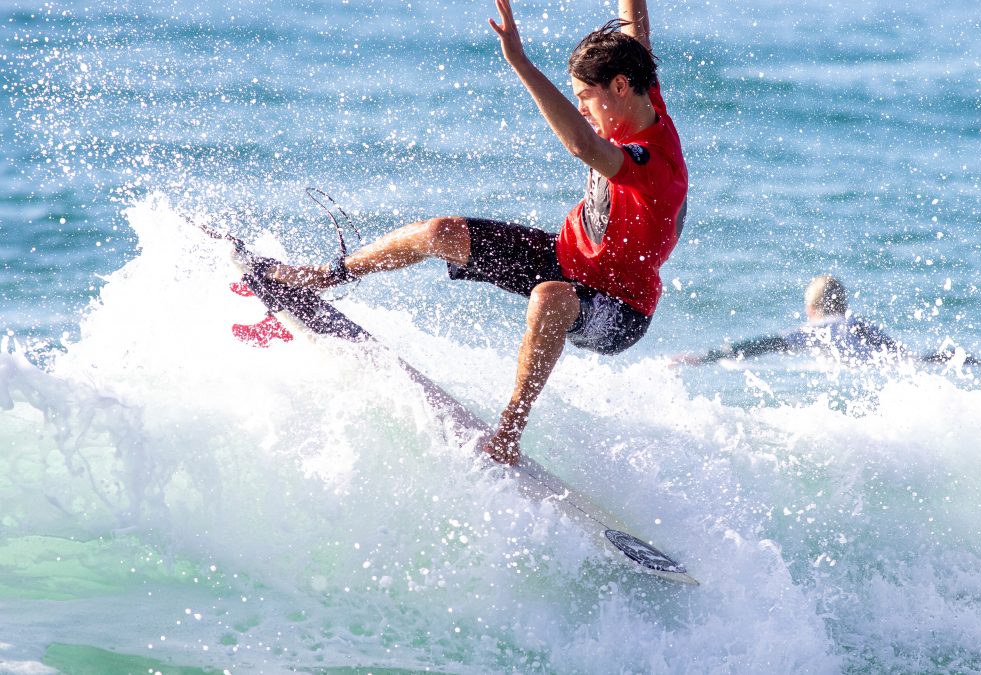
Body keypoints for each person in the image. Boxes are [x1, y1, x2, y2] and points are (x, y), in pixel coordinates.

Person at [266, 0, 688, 465]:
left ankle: (509, 431)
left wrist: (520, 63)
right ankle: (330, 275)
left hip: (621, 308)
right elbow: (635, 28)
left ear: (620, 87)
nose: (583, 109)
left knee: (550, 298)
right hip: (566, 258)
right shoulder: (640, 94)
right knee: (440, 231)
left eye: (585, 98)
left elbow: (581, 145)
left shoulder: (655, 164)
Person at [674, 275, 973, 365]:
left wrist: (706, 357)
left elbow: (765, 344)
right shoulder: (860, 324)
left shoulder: (817, 330)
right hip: (913, 364)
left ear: (811, 307)